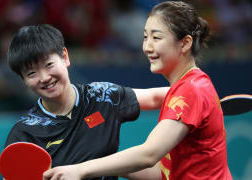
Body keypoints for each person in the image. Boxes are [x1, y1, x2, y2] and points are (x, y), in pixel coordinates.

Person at [42, 1, 233, 180]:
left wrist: (81, 170)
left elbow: (149, 154)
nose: (147, 47)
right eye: (145, 37)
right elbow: (161, 171)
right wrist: (87, 161)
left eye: (156, 38)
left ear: (185, 43)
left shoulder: (191, 90)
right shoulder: (186, 88)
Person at [3, 24, 169, 180]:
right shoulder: (24, 134)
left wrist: (194, 83)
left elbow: (158, 97)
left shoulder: (102, 96)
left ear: (65, 57)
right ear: (24, 80)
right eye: (32, 73)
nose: (44, 78)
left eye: (49, 64)